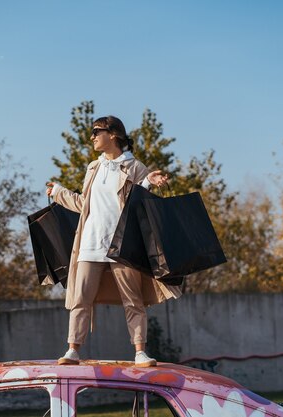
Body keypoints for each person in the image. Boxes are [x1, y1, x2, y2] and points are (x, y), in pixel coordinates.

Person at [46, 115, 182, 367]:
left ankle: (140, 351)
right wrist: (58, 193)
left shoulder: (134, 166)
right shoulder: (92, 168)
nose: (92, 136)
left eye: (97, 131)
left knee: (133, 299)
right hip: (90, 243)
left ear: (114, 134)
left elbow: (139, 201)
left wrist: (148, 182)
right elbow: (83, 205)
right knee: (80, 298)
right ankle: (73, 349)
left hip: (123, 244)